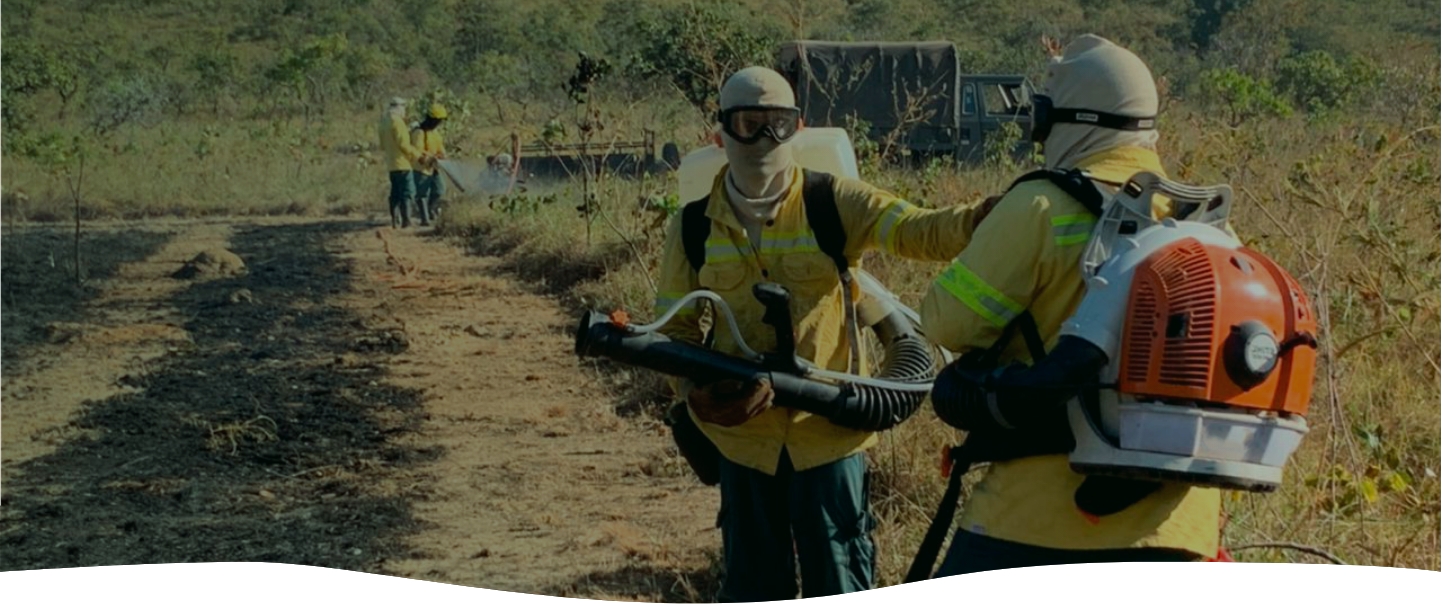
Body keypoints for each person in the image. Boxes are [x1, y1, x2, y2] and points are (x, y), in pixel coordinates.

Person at [652, 66, 993, 602]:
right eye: (749, 123)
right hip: (744, 444)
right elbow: (674, 330)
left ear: (799, 127)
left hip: (829, 437)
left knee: (839, 578)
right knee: (752, 584)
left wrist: (987, 218)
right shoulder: (693, 225)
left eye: (779, 124)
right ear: (721, 132)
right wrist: (697, 393)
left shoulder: (833, 202)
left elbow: (916, 229)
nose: (765, 138)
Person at [917, 34, 1222, 576]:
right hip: (1183, 529)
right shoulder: (1205, 225)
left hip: (1040, 516)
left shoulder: (1041, 203)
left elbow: (946, 321)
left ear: (1069, 119)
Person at [377, 97, 423, 228]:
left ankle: (394, 220)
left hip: (391, 164)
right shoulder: (398, 122)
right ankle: (406, 221)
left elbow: (382, 145)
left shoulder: (384, 122)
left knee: (395, 193)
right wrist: (417, 155)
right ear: (400, 108)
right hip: (403, 163)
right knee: (407, 192)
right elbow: (403, 144)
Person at [411, 103, 449, 225]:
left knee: (439, 190)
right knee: (422, 194)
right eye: (438, 121)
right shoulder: (419, 133)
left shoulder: (435, 133)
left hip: (433, 168)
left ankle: (430, 210)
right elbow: (418, 151)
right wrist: (431, 157)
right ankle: (424, 218)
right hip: (421, 169)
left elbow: (440, 148)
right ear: (432, 119)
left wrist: (442, 155)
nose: (439, 123)